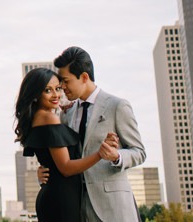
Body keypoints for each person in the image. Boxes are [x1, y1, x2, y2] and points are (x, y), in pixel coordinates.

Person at [38, 46, 146, 222]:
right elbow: (65, 157)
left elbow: (139, 152)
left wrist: (116, 156)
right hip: (78, 208)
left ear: (84, 77)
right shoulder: (66, 113)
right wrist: (43, 172)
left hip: (114, 208)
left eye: (66, 81)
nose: (62, 87)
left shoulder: (117, 106)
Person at [15, 67, 117, 222]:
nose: (56, 95)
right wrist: (99, 154)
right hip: (61, 199)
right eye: (48, 90)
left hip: (56, 196)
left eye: (57, 88)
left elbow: (52, 160)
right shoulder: (49, 118)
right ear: (35, 94)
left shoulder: (39, 117)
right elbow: (66, 168)